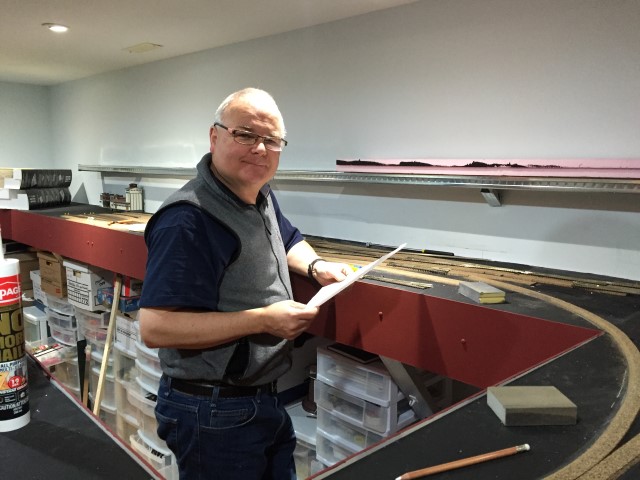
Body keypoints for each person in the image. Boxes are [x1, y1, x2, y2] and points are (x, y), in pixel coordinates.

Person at [139, 87, 351, 480]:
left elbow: (287, 239)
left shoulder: (258, 194)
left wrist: (316, 266)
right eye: (245, 135)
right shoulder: (188, 220)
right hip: (213, 409)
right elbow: (156, 327)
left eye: (272, 140)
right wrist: (264, 320)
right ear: (214, 136)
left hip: (259, 399)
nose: (260, 149)